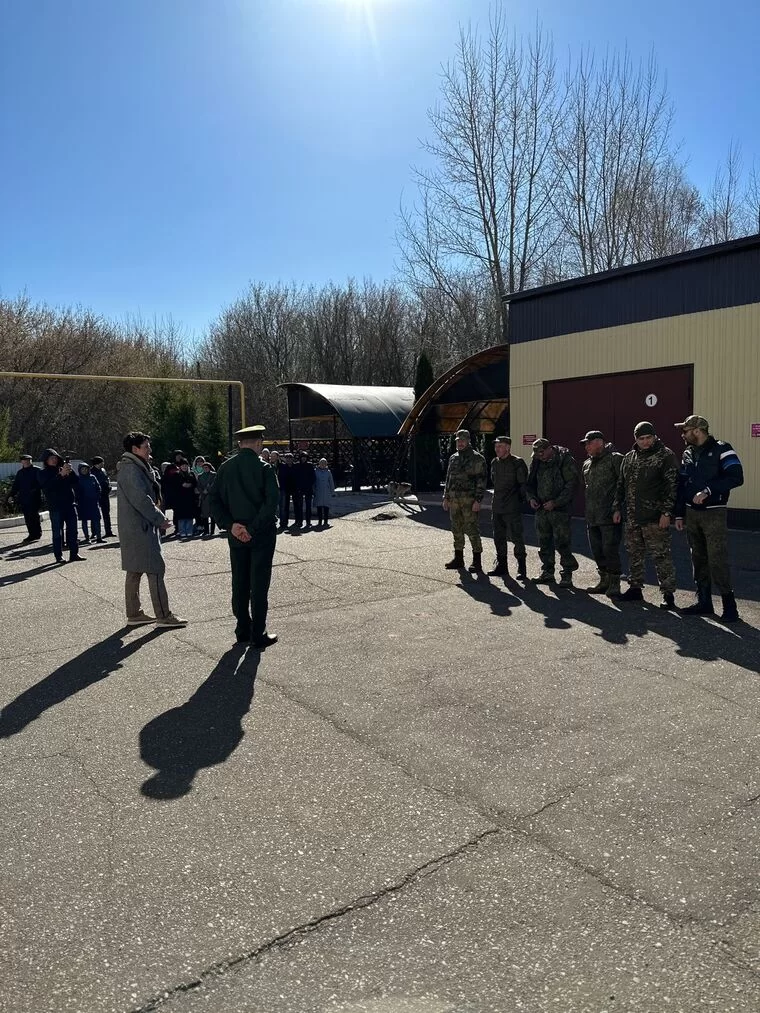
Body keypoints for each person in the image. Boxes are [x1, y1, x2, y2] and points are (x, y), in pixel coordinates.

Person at [209, 424, 279, 648]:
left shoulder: (225, 468)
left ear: (240, 443)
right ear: (259, 443)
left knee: (239, 581)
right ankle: (258, 633)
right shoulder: (264, 468)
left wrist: (231, 526)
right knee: (259, 583)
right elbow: (271, 504)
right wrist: (253, 528)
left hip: (236, 535)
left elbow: (213, 501)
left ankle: (242, 628)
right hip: (261, 535)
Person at [674, 414, 744, 622]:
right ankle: (704, 602)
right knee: (698, 557)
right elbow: (682, 484)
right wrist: (679, 513)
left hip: (714, 512)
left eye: (685, 430)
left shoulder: (723, 449)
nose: (682, 434)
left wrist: (708, 490)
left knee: (717, 559)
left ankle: (729, 607)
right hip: (692, 513)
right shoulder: (688, 452)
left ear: (697, 431)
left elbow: (736, 477)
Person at [117, 432, 187, 627]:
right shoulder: (131, 469)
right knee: (155, 569)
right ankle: (164, 616)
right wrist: (160, 519)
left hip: (136, 527)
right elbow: (141, 499)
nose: (150, 450)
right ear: (135, 449)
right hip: (141, 527)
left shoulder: (133, 467)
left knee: (135, 570)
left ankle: (134, 614)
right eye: (146, 446)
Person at [613, 421, 678, 608]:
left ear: (655, 436)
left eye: (648, 437)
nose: (645, 442)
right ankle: (635, 589)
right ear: (636, 439)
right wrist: (617, 508)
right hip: (633, 516)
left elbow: (672, 486)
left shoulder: (665, 455)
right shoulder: (629, 457)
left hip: (655, 517)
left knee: (661, 555)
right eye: (641, 439)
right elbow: (620, 485)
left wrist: (667, 512)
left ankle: (668, 594)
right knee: (634, 553)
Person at [526, 438, 580, 587]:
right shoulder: (537, 462)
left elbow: (571, 485)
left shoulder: (564, 460)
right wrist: (531, 498)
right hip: (542, 510)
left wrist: (556, 502)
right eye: (537, 454)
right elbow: (529, 484)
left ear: (550, 448)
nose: (540, 456)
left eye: (542, 453)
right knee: (544, 543)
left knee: (562, 543)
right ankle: (547, 572)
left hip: (560, 510)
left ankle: (567, 574)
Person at [581, 430, 624, 597]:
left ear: (599, 442)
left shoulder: (615, 459)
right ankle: (604, 580)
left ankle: (614, 583)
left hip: (610, 515)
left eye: (588, 443)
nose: (586, 447)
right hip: (592, 516)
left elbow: (623, 485)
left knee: (610, 549)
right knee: (597, 550)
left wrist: (618, 508)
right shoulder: (586, 464)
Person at [442, 429, 487, 572]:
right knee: (456, 529)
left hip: (469, 501)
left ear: (468, 441)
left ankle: (477, 561)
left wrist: (478, 501)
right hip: (454, 501)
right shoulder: (453, 458)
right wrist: (446, 497)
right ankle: (458, 559)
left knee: (472, 529)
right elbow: (448, 479)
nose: (460, 443)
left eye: (462, 441)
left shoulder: (477, 458)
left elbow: (481, 481)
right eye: (458, 441)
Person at [488, 436, 528, 579]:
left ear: (508, 448)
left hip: (512, 507)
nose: (497, 449)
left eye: (500, 446)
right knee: (498, 537)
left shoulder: (517, 463)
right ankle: (502, 566)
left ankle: (522, 568)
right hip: (497, 506)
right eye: (496, 446)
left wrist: (521, 502)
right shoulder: (494, 463)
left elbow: (523, 485)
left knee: (516, 537)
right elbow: (494, 482)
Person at [38, 449, 84, 564]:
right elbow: (48, 488)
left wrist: (70, 471)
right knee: (57, 533)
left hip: (69, 505)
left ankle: (74, 554)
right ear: (46, 460)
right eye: (51, 458)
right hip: (56, 507)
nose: (54, 460)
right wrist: (60, 475)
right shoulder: (42, 473)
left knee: (73, 531)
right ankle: (58, 556)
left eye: (55, 458)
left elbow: (76, 482)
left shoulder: (63, 469)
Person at [11, 454, 42, 543]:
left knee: (34, 516)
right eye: (24, 460)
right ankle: (31, 534)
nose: (26, 462)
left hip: (34, 498)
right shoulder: (20, 473)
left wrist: (35, 489)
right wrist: (11, 495)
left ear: (31, 461)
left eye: (28, 460)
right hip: (24, 498)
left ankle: (37, 533)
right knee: (27, 517)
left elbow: (41, 483)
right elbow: (16, 486)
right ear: (22, 462)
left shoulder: (37, 470)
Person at [76, 463, 104, 543]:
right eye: (82, 469)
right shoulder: (78, 479)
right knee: (84, 521)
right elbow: (76, 491)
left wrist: (97, 496)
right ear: (80, 470)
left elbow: (98, 488)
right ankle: (87, 538)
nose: (84, 470)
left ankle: (99, 537)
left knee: (96, 520)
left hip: (93, 502)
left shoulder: (92, 477)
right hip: (83, 503)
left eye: (86, 469)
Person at [173, 459, 198, 540]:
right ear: (180, 466)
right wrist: (185, 485)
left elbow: (194, 484)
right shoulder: (176, 474)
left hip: (190, 497)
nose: (184, 467)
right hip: (180, 498)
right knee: (181, 516)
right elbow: (179, 485)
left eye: (185, 465)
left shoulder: (191, 474)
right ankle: (182, 531)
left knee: (190, 515)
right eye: (182, 465)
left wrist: (189, 485)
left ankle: (189, 530)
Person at [292, 450, 316, 531]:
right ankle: (300, 521)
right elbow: (295, 477)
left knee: (308, 506)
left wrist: (310, 485)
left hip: (308, 488)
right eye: (302, 457)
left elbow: (313, 477)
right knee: (300, 506)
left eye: (305, 457)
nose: (303, 459)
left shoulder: (310, 465)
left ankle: (308, 521)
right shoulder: (297, 466)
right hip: (299, 488)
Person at [91, 456, 114, 537]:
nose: (103, 463)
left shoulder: (103, 470)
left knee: (106, 514)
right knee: (95, 514)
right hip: (97, 495)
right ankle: (94, 533)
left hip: (105, 495)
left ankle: (108, 531)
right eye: (102, 462)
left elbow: (106, 479)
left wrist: (109, 486)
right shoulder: (91, 472)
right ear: (98, 463)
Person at [197, 461, 217, 537]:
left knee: (212, 515)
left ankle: (212, 531)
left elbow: (215, 483)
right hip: (204, 497)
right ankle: (206, 531)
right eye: (204, 467)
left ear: (209, 467)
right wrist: (202, 492)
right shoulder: (200, 476)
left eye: (206, 467)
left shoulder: (214, 474)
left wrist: (208, 489)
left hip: (211, 496)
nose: (205, 469)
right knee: (205, 515)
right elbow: (198, 486)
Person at [313, 457, 335, 528]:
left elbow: (331, 482)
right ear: (319, 464)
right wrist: (313, 490)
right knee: (319, 507)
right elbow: (313, 482)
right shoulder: (315, 471)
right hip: (318, 491)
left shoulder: (328, 472)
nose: (323, 464)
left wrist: (332, 491)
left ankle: (326, 521)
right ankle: (319, 521)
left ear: (326, 464)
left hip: (326, 491)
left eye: (324, 463)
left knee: (326, 507)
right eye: (321, 463)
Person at [278, 451, 296, 529]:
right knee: (285, 507)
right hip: (285, 488)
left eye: (290, 458)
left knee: (297, 505)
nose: (288, 460)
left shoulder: (296, 467)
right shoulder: (282, 467)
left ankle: (298, 521)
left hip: (294, 488)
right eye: (287, 459)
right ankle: (285, 522)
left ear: (292, 459)